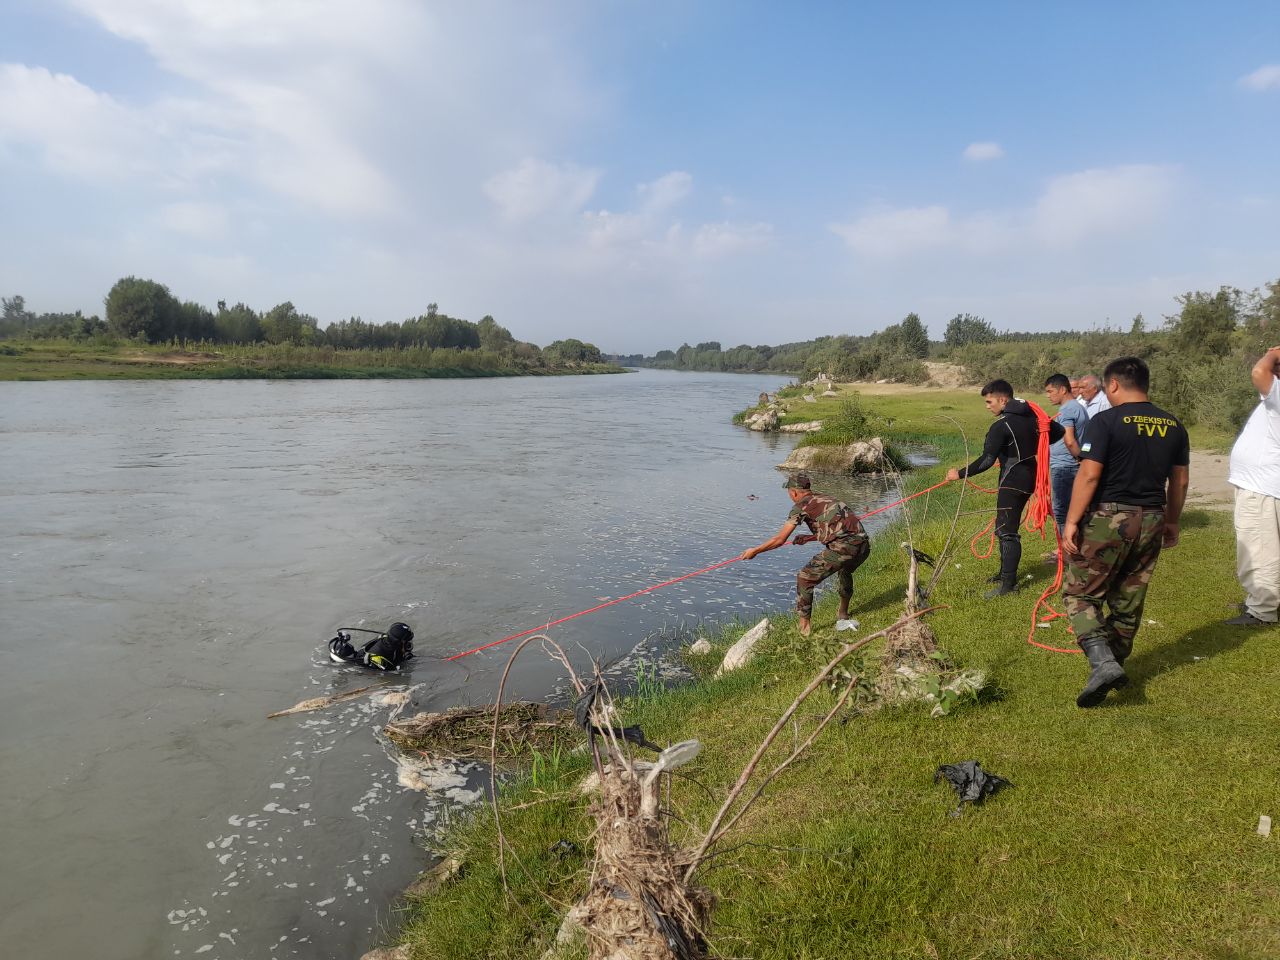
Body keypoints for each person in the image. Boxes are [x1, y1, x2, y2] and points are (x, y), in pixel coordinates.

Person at [1061, 356, 1189, 708]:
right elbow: (1180, 480)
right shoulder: (1173, 424)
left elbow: (1088, 475)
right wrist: (1173, 519)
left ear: (1113, 385)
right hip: (1152, 518)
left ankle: (1102, 663)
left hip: (1109, 517)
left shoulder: (1105, 421)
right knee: (1129, 597)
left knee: (1079, 594)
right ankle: (1113, 665)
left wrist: (1072, 521)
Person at [945, 380, 1063, 598]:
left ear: (1003, 399)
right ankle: (1003, 574)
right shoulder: (1033, 417)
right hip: (1029, 477)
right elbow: (1057, 431)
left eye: (989, 401)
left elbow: (986, 460)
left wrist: (958, 474)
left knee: (1007, 532)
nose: (987, 406)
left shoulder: (1002, 426)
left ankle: (1008, 585)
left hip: (1013, 481)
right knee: (1004, 527)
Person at [738, 473, 870, 636]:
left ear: (793, 492)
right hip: (863, 546)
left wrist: (755, 551)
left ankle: (804, 630)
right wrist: (809, 538)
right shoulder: (827, 498)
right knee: (845, 569)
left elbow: (779, 539)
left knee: (804, 577)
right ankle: (843, 614)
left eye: (789, 492)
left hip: (845, 548)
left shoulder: (800, 506)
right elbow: (839, 529)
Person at [1225, 346, 1280, 626]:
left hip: (1261, 488)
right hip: (1266, 485)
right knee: (1268, 547)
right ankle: (1263, 600)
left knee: (1259, 549)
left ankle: (1262, 610)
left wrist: (1273, 352)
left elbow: (1259, 371)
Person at [1043, 373, 1090, 548]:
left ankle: (1066, 551)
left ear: (1062, 389)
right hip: (1069, 465)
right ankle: (1077, 547)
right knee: (1074, 508)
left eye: (1050, 391)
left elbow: (1069, 440)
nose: (1048, 395)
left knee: (1061, 511)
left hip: (1064, 467)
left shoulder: (1068, 410)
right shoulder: (1077, 406)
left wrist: (1080, 459)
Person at [328, 622, 416, 670]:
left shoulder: (388, 640)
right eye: (407, 641)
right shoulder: (379, 658)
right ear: (398, 642)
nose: (409, 644)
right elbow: (392, 672)